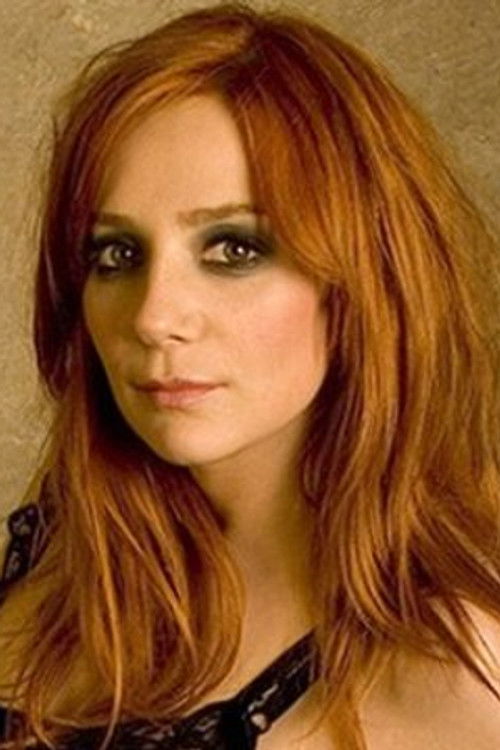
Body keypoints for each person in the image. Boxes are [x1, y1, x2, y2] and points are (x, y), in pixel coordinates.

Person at [1, 1, 499, 748]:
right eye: (117, 255)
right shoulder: (64, 562)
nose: (153, 316)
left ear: (365, 280)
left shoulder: (456, 676)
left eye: (234, 249)